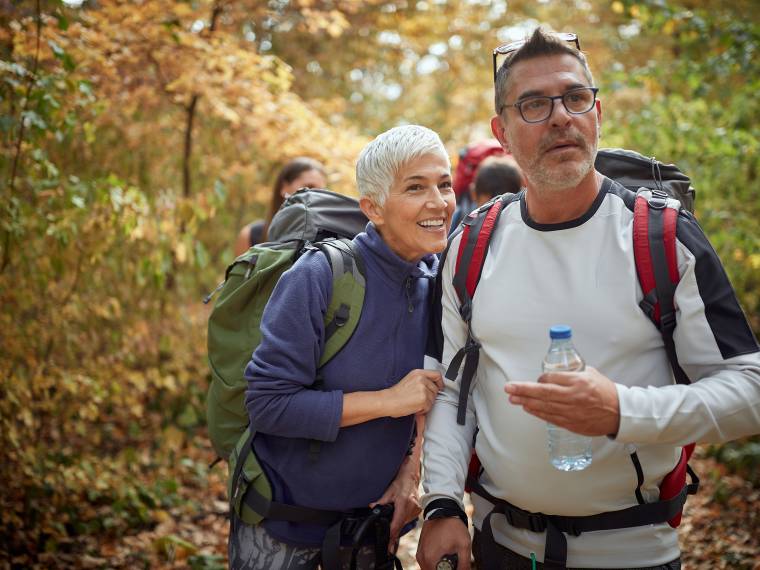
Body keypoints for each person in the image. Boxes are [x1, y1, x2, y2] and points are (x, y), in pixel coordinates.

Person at [416, 28, 760, 570]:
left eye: (575, 98)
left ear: (596, 113)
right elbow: (453, 389)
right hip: (497, 546)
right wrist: (440, 503)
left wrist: (622, 411)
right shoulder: (473, 243)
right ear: (500, 132)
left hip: (633, 552)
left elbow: (750, 390)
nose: (560, 117)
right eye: (533, 104)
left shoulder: (662, 238)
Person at [231, 125, 456, 569]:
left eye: (444, 184)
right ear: (372, 208)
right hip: (283, 527)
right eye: (416, 187)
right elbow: (268, 404)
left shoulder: (438, 282)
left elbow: (428, 396)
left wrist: (410, 478)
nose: (439, 201)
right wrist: (387, 401)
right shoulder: (320, 276)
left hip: (373, 529)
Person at [234, 157, 327, 255]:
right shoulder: (251, 235)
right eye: (309, 186)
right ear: (284, 187)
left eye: (321, 190)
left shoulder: (326, 240)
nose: (317, 195)